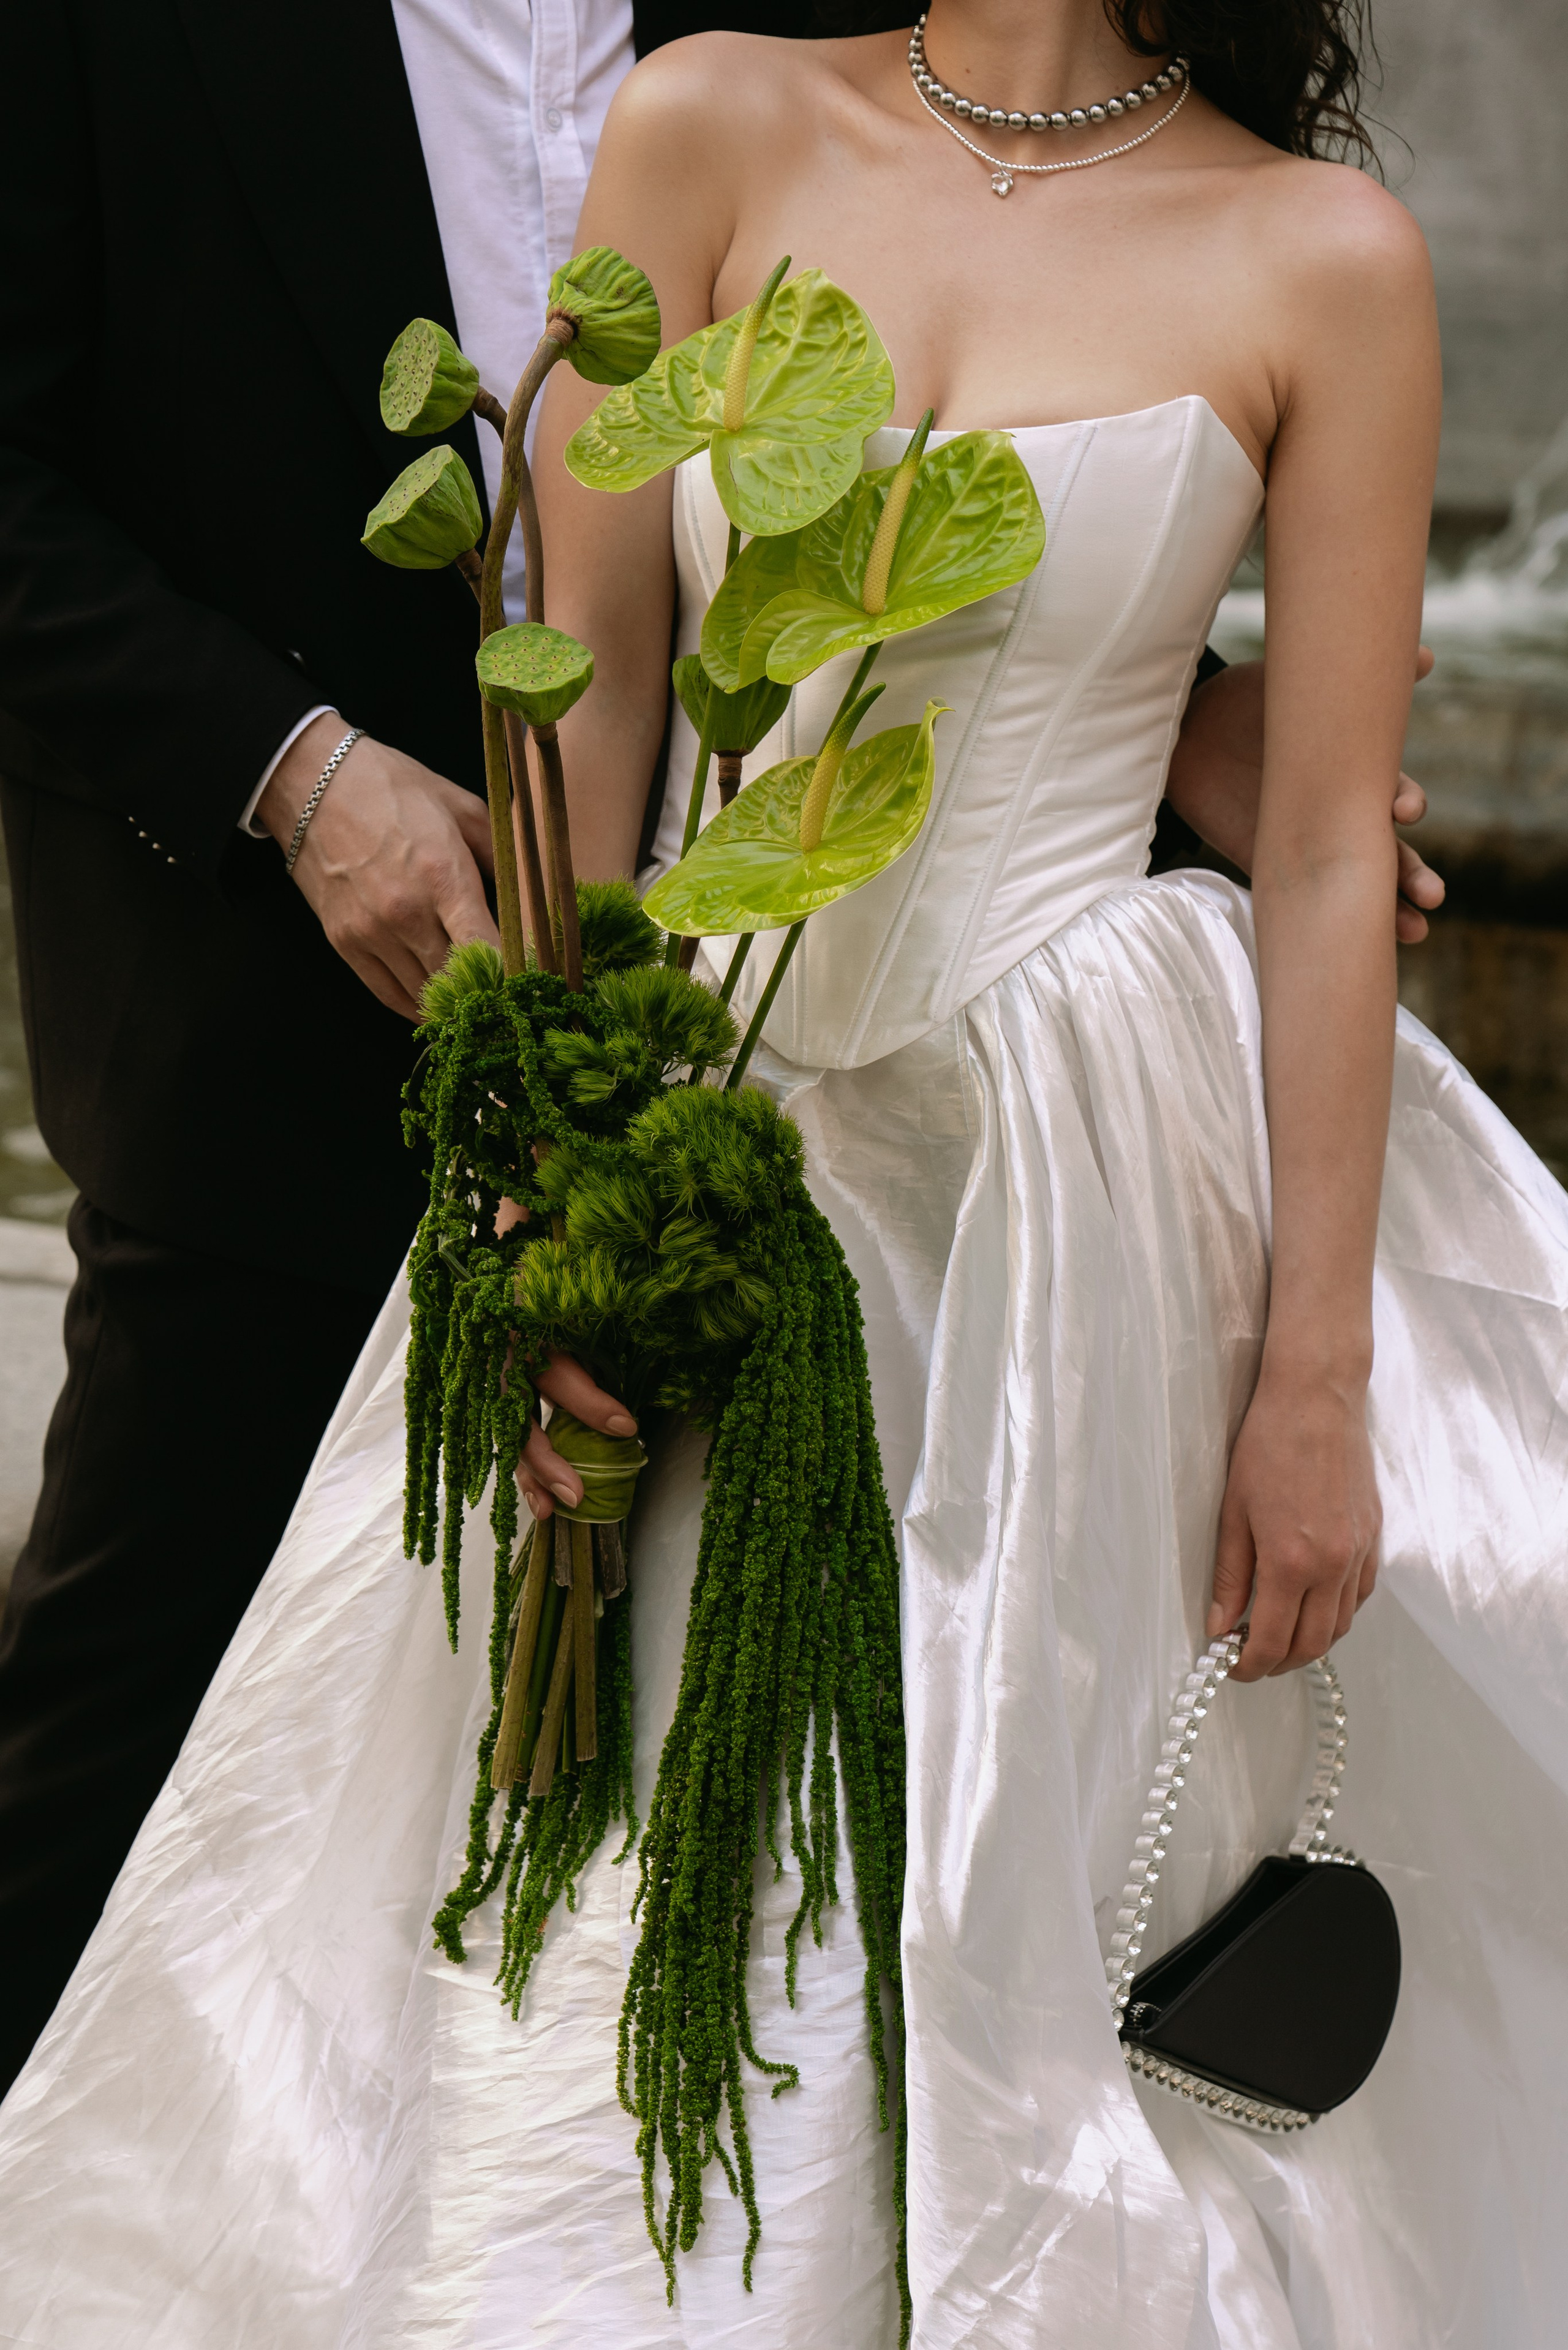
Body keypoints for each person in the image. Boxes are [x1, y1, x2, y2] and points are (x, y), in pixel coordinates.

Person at [5, 4, 1548, 2346]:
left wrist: (1312, 1376)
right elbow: (598, 705)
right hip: (710, 1122)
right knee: (570, 1920)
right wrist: (549, 1196)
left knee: (1011, 1920)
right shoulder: (707, 121)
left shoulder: (1327, 256)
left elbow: (1332, 850)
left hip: (1083, 1225)